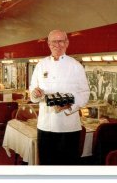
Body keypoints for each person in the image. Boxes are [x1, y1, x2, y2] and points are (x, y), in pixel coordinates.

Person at [29, 30, 90, 165]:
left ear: (67, 43)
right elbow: (32, 92)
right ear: (49, 44)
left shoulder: (76, 66)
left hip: (68, 127)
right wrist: (35, 94)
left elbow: (85, 94)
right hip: (45, 125)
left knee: (66, 167)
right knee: (46, 164)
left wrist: (68, 106)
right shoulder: (41, 65)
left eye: (61, 41)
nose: (57, 44)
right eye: (54, 41)